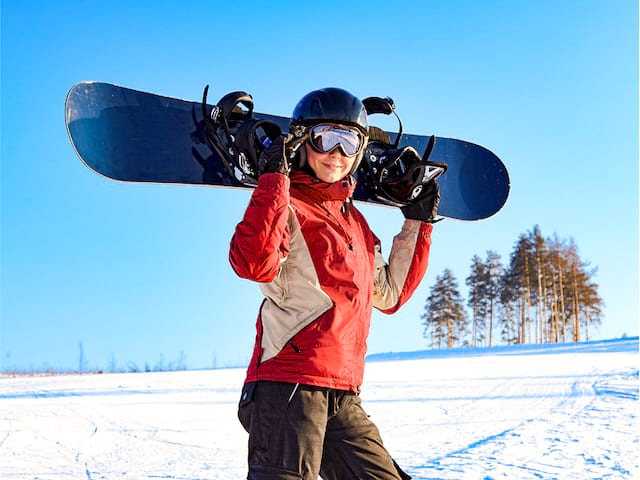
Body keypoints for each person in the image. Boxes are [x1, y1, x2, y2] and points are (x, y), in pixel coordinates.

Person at [229, 87, 439, 480]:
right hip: (287, 384)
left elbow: (389, 295)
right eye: (327, 139)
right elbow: (253, 262)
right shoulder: (287, 205)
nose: (336, 154)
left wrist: (418, 220)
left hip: (343, 391)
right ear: (305, 141)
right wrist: (275, 178)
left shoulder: (356, 225)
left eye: (349, 142)